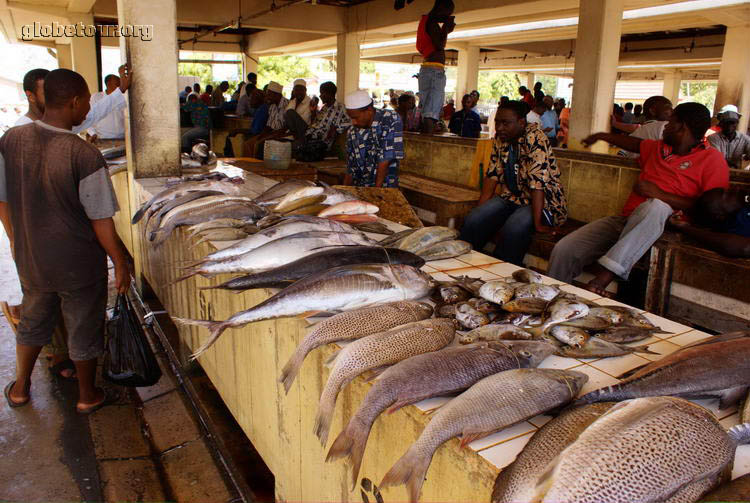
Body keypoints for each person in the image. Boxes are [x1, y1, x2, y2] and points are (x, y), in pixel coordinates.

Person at [0, 68, 130, 413]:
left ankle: (20, 389)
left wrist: (18, 241)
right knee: (84, 327)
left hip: (33, 260)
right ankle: (87, 396)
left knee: (32, 322)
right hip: (78, 264)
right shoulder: (84, 155)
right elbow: (101, 221)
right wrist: (120, 262)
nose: (89, 108)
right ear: (74, 102)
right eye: (87, 100)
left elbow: (3, 198)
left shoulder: (11, 141)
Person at [547, 102, 730, 295]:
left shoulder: (712, 160)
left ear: (681, 126)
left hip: (665, 228)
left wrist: (659, 194)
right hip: (626, 221)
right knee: (565, 249)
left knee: (656, 207)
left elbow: (712, 210)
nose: (665, 125)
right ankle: (549, 298)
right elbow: (635, 144)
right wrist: (601, 136)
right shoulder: (659, 148)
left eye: (671, 121)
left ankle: (603, 279)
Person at [459, 100, 567, 265]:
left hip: (542, 203)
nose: (500, 127)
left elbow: (537, 183)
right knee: (473, 220)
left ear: (521, 122)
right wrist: (481, 210)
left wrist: (538, 224)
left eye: (505, 123)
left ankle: (502, 273)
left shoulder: (535, 138)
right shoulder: (501, 138)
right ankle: (466, 263)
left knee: (513, 229)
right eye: (497, 122)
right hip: (512, 197)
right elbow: (492, 174)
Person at [15, 65, 131, 133]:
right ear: (31, 96)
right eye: (46, 93)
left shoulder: (60, 124)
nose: (53, 97)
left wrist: (120, 89)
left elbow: (93, 114)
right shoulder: (21, 130)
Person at [344, 90, 404, 188]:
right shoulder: (352, 131)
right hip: (360, 187)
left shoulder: (390, 119)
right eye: (351, 118)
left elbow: (385, 158)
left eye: (355, 117)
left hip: (384, 187)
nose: (353, 122)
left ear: (369, 111)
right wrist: (344, 190)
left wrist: (375, 192)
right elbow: (351, 167)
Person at [668, 187, 750, 258]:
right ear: (720, 215)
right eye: (728, 195)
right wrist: (685, 228)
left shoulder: (744, 203)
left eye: (728, 190)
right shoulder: (737, 225)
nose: (736, 189)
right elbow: (743, 247)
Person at [416, 0, 455, 134]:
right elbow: (440, 45)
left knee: (427, 110)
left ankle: (426, 140)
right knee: (432, 112)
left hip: (428, 69)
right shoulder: (432, 23)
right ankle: (429, 144)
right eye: (447, 14)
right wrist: (446, 28)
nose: (446, 17)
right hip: (434, 71)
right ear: (441, 9)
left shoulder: (426, 21)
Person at [285, 81, 350, 153]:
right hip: (309, 136)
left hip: (320, 143)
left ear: (329, 94)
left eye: (322, 93)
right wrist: (313, 111)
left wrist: (336, 128)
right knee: (290, 113)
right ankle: (300, 140)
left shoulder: (340, 107)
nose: (320, 96)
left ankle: (300, 143)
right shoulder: (324, 108)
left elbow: (350, 121)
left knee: (290, 147)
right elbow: (314, 123)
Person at [241, 81, 289, 158]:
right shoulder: (272, 106)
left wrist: (264, 137)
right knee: (249, 143)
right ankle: (249, 165)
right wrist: (262, 135)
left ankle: (256, 166)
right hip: (272, 133)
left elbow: (285, 127)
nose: (267, 97)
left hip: (282, 134)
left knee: (258, 145)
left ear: (277, 95)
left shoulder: (287, 105)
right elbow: (269, 126)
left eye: (269, 94)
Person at [707, 105, 750, 170]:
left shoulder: (745, 139)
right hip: (717, 171)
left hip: (736, 173)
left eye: (732, 122)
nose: (729, 126)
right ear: (721, 124)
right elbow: (717, 158)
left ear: (737, 123)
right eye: (726, 122)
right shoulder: (713, 138)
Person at [87, 74, 125, 141]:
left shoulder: (123, 98)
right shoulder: (96, 97)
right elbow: (88, 118)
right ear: (108, 84)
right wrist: (93, 133)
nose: (119, 85)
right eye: (117, 83)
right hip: (102, 138)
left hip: (123, 139)